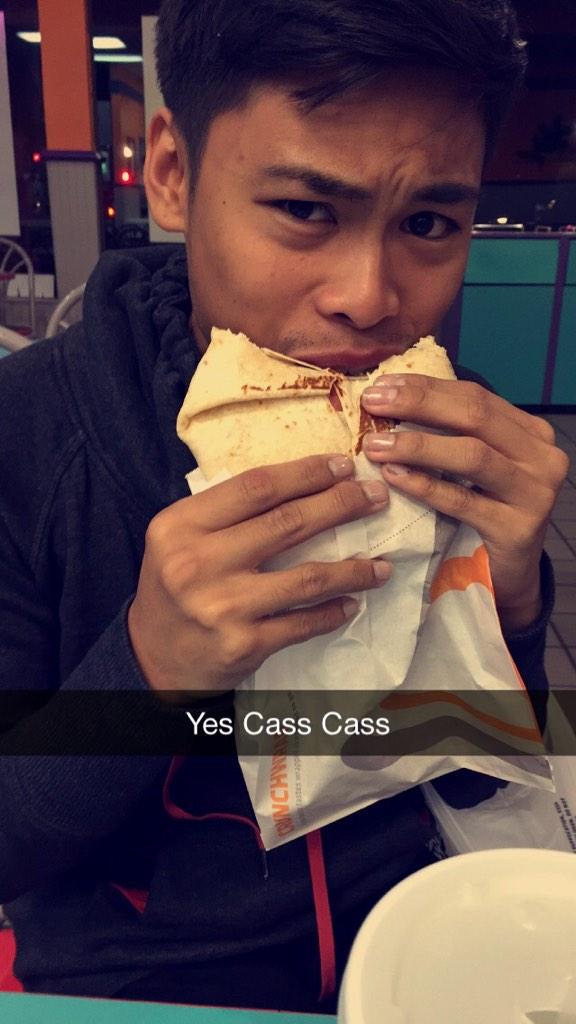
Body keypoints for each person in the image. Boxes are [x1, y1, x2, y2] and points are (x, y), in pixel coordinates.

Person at [0, 0, 568, 1014]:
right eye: (306, 209)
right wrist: (147, 665)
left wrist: (514, 604)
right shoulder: (26, 437)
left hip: (424, 932)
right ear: (172, 173)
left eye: (429, 224)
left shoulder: (451, 429)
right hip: (139, 982)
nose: (369, 296)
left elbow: (474, 776)